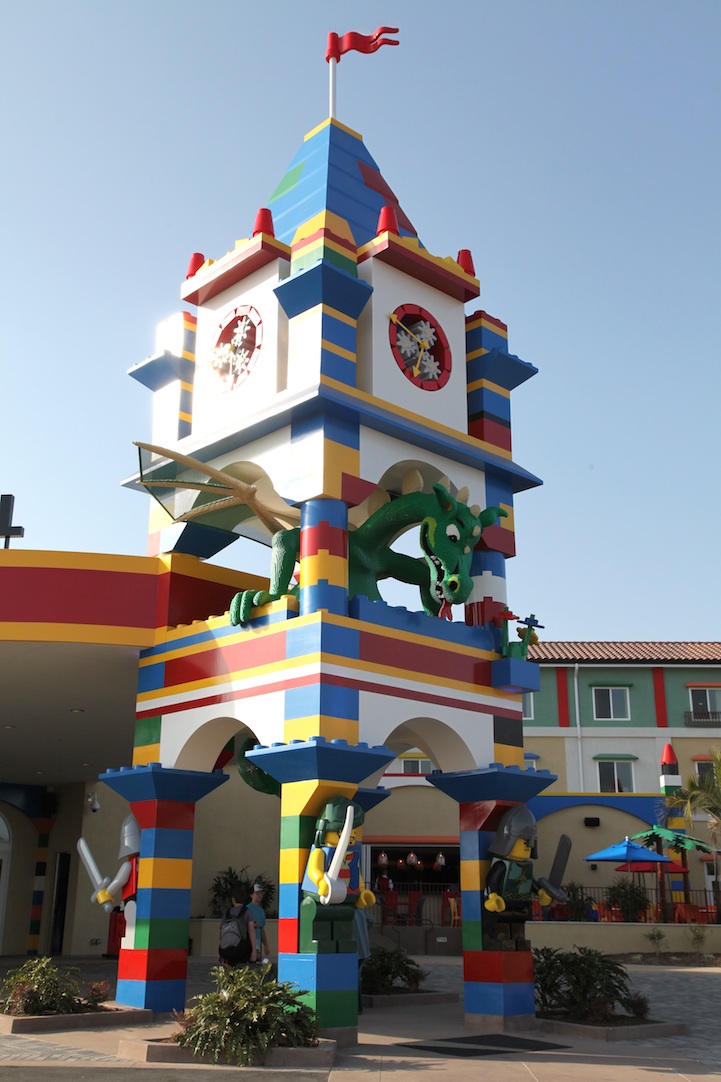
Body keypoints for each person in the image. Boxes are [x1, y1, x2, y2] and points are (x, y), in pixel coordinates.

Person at [246, 881, 270, 963]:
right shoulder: (248, 909)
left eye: (261, 893)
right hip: (249, 943)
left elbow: (262, 928)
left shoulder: (261, 910)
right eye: (257, 893)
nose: (260, 895)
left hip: (258, 943)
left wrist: (266, 945)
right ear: (251, 895)